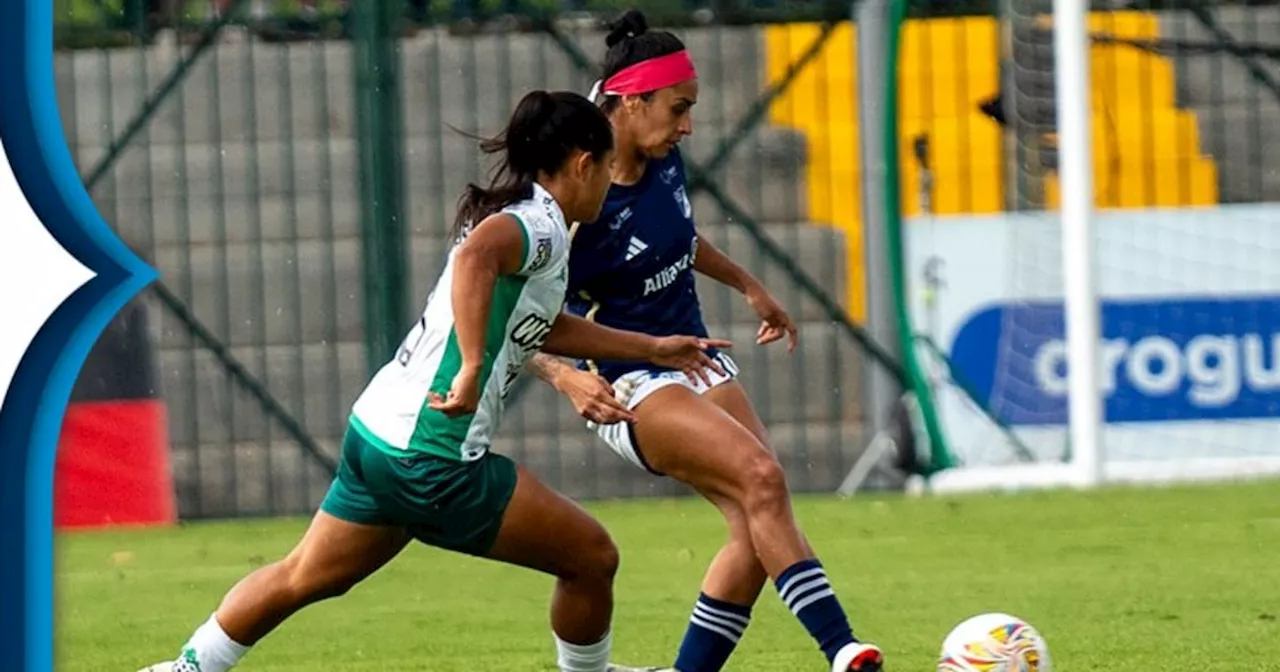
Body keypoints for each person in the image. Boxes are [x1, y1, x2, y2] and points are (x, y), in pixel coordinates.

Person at [139, 89, 732, 672]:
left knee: (304, 575)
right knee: (591, 557)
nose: (609, 181)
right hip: (433, 456)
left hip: (376, 435)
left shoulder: (520, 213)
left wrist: (652, 347)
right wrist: (474, 365)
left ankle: (187, 667)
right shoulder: (541, 224)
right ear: (583, 164)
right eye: (606, 168)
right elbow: (477, 259)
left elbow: (542, 323)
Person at [526, 12, 884, 672]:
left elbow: (680, 238)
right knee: (761, 478)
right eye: (678, 108)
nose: (687, 125)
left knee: (756, 526)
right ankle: (844, 651)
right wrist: (563, 375)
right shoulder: (572, 196)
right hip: (626, 379)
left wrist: (750, 285)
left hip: (694, 358)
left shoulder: (662, 159)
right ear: (631, 102)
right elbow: (514, 310)